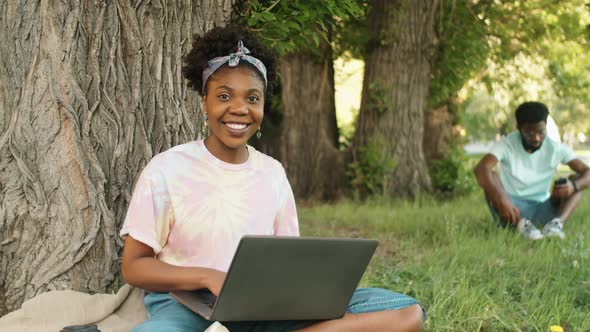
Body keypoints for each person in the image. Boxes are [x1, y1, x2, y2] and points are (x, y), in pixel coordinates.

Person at [120, 25, 424, 332]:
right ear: (204, 103)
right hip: (188, 305)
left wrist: (308, 293)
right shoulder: (167, 170)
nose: (239, 108)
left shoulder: (272, 173)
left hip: (264, 304)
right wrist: (208, 277)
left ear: (263, 105)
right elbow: (134, 266)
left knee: (407, 313)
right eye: (224, 96)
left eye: (253, 98)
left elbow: (286, 260)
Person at [474, 102, 590, 240]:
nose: (536, 138)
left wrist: (573, 186)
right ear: (519, 128)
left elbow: (586, 172)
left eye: (541, 132)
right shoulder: (507, 144)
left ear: (546, 127)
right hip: (512, 210)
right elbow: (481, 169)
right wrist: (501, 197)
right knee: (491, 178)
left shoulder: (555, 148)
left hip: (544, 207)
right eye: (529, 132)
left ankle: (555, 225)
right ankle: (522, 226)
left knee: (576, 180)